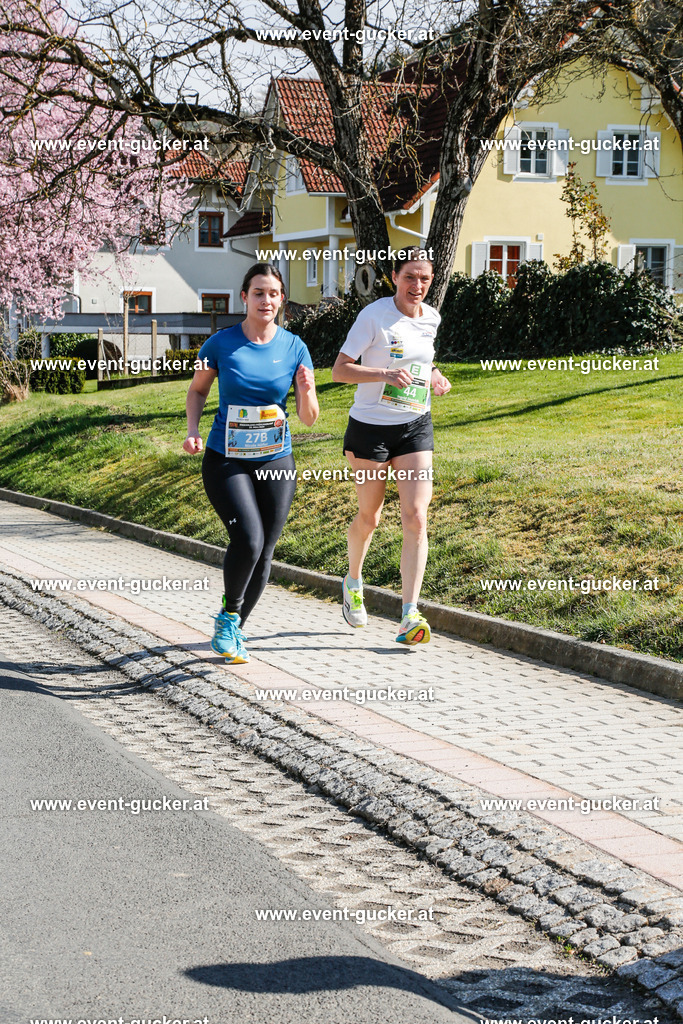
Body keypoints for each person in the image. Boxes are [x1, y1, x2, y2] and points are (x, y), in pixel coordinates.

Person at [183, 263, 319, 664]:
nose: (266, 300)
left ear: (282, 299)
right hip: (226, 459)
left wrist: (307, 391)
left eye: (274, 293)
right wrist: (192, 429)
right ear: (244, 297)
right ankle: (228, 618)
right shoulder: (219, 344)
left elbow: (309, 418)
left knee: (266, 550)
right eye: (259, 293)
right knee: (248, 539)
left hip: (276, 459)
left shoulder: (295, 347)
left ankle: (233, 628)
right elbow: (197, 391)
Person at [332, 247, 451, 646]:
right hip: (371, 429)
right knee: (370, 516)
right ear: (395, 277)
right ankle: (352, 582)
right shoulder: (374, 316)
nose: (417, 285)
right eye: (409, 277)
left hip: (415, 425)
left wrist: (435, 375)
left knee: (417, 516)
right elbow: (339, 370)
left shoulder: (431, 317)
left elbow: (423, 360)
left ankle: (409, 614)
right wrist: (383, 373)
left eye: (425, 278)